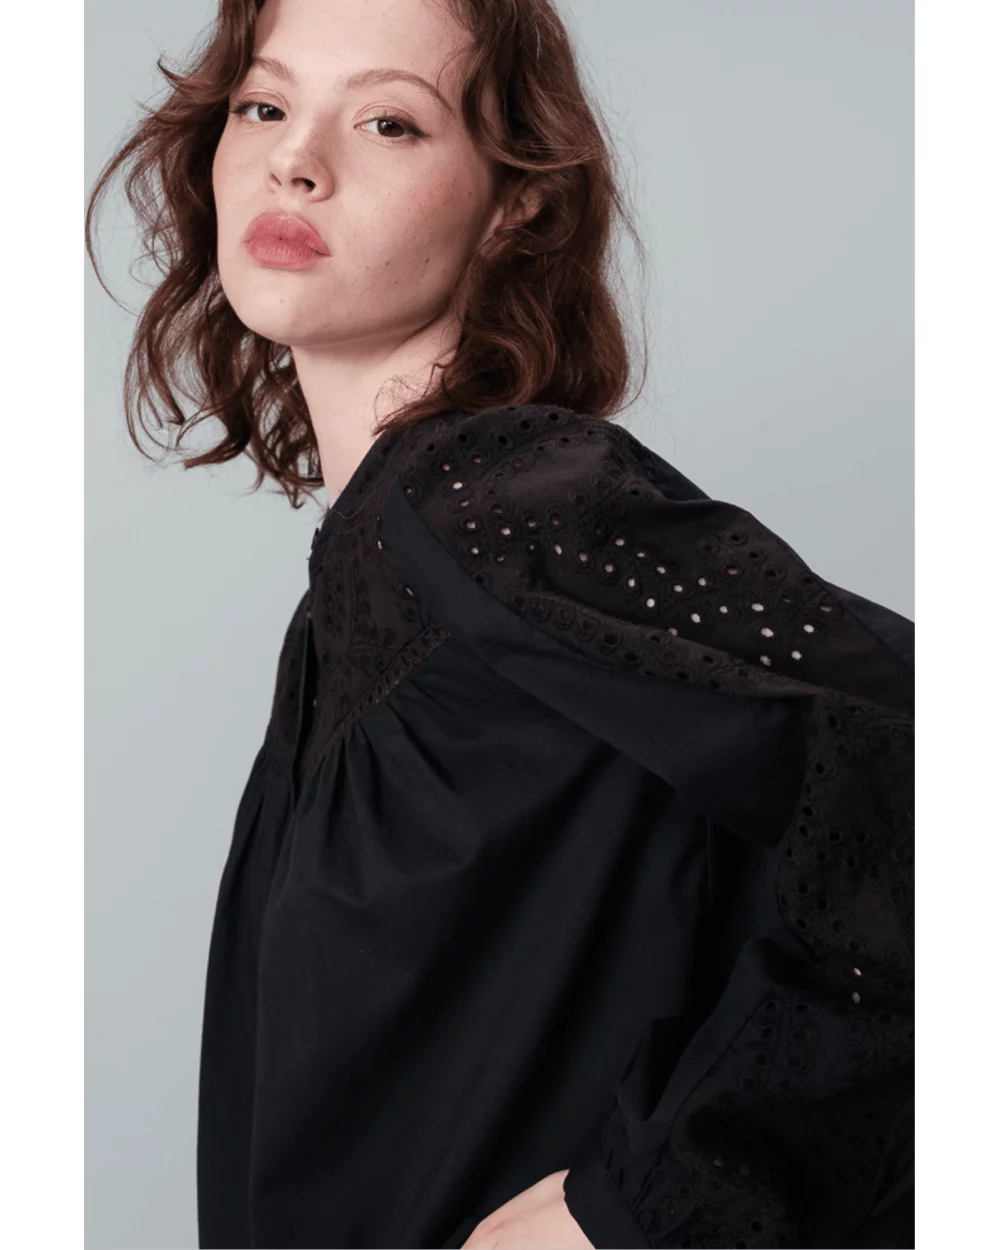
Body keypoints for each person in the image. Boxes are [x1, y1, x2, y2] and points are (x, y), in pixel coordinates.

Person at [86, 1, 914, 1247]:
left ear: (515, 202)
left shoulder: (495, 499)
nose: (295, 159)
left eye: (388, 122)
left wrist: (654, 1200)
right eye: (263, 105)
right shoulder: (360, 584)